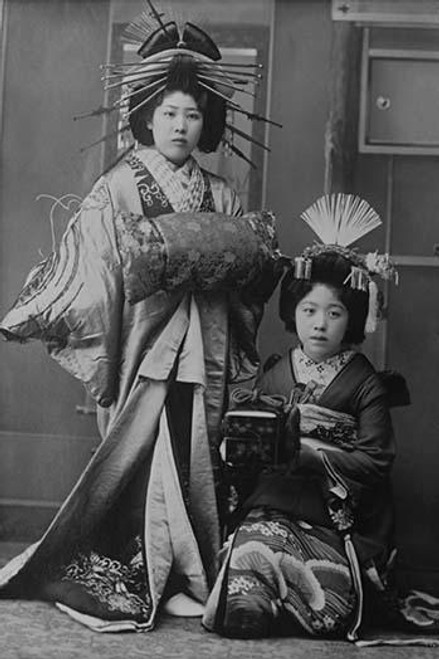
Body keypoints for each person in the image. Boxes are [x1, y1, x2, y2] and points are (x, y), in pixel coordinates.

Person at [0, 5, 279, 632]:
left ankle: (184, 574)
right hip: (146, 344)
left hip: (204, 340)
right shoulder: (118, 187)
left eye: (193, 114)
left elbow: (243, 274)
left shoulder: (223, 194)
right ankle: (142, 570)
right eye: (169, 113)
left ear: (208, 123)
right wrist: (50, 303)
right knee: (143, 455)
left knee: (194, 456)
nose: (181, 125)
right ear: (146, 117)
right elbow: (96, 268)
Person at [202, 193, 414, 642]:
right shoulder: (276, 370)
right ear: (293, 314)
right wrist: (240, 445)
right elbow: (248, 438)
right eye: (309, 311)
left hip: (336, 518)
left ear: (353, 319)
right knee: (255, 542)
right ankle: (251, 605)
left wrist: (308, 453)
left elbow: (375, 462)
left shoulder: (367, 383)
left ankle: (280, 604)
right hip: (273, 501)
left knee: (320, 574)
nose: (320, 324)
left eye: (334, 313)